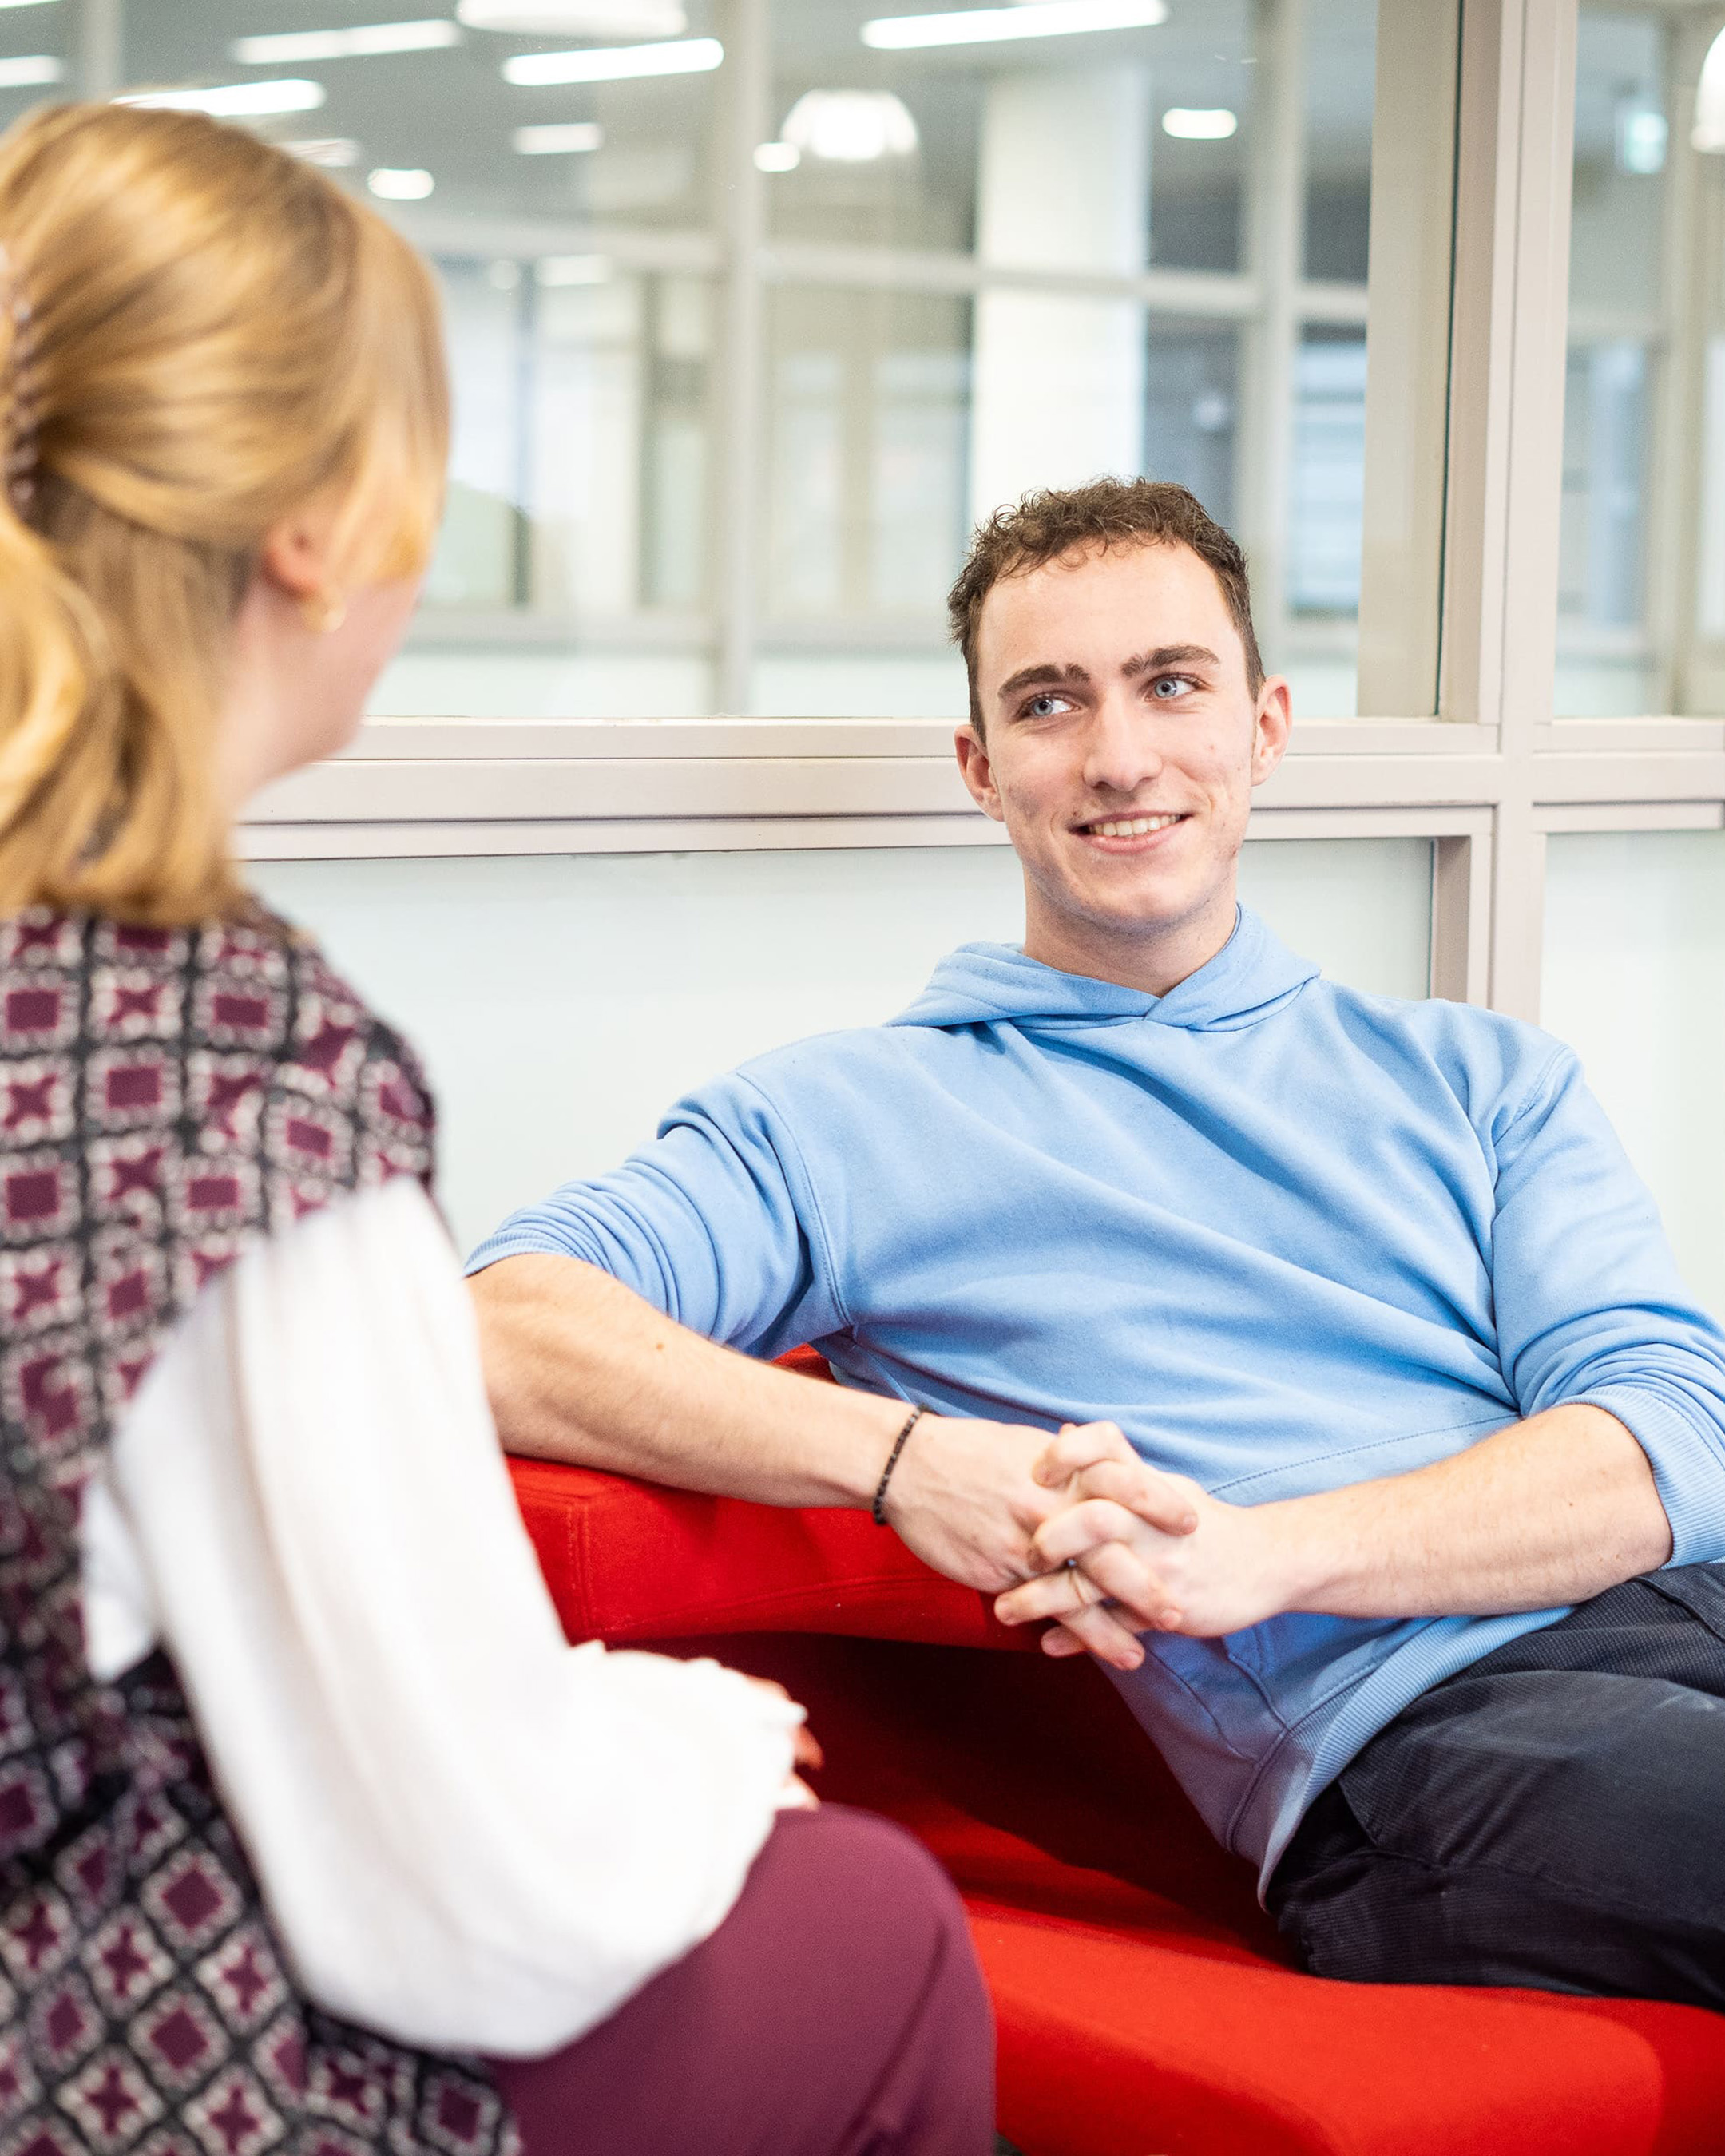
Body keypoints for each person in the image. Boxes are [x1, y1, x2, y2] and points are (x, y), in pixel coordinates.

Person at [0, 99, 994, 2156]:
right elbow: (464, 1889)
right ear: (314, 532)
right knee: (877, 1925)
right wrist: (704, 1734)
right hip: (107, 2056)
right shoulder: (229, 1077)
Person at [469, 475, 1725, 2014]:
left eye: (1170, 685)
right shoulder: (851, 1118)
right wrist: (908, 1459)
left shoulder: (1481, 1076)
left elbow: (1676, 1437)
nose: (1120, 756)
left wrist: (1268, 1552)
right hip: (1428, 1744)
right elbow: (497, 1322)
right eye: (1051, 703)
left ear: (1262, 727)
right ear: (980, 767)